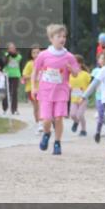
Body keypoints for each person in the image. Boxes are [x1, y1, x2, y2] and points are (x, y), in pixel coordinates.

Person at [32, 24, 81, 155]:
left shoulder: (69, 56)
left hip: (61, 92)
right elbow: (35, 71)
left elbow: (76, 73)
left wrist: (72, 70)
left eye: (64, 36)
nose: (62, 38)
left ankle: (57, 143)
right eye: (58, 36)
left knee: (59, 118)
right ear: (51, 38)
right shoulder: (43, 55)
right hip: (46, 92)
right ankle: (47, 133)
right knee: (47, 120)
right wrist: (33, 87)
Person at [68, 55, 92, 137]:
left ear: (81, 64)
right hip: (74, 99)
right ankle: (76, 122)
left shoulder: (85, 74)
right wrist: (69, 86)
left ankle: (83, 130)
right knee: (72, 115)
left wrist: (88, 91)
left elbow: (91, 84)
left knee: (80, 115)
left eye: (76, 63)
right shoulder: (70, 75)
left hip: (83, 99)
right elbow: (67, 83)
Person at [21, 46, 41, 132]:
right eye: (34, 53)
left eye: (38, 52)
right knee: (36, 107)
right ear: (31, 54)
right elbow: (24, 76)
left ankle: (42, 123)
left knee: (41, 106)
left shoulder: (44, 63)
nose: (36, 54)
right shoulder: (29, 64)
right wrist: (33, 76)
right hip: (31, 88)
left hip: (43, 88)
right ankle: (38, 123)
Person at [90, 51, 105, 143]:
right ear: (98, 60)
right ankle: (98, 132)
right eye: (102, 58)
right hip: (99, 97)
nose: (104, 60)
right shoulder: (96, 71)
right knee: (101, 116)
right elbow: (91, 83)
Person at [2, 42, 23, 114]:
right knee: (7, 92)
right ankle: (5, 108)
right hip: (8, 75)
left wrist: (21, 76)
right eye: (10, 48)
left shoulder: (19, 56)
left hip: (16, 75)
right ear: (8, 49)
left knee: (14, 93)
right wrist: (8, 56)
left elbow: (21, 66)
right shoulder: (6, 55)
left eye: (13, 47)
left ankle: (14, 109)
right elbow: (4, 63)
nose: (12, 49)